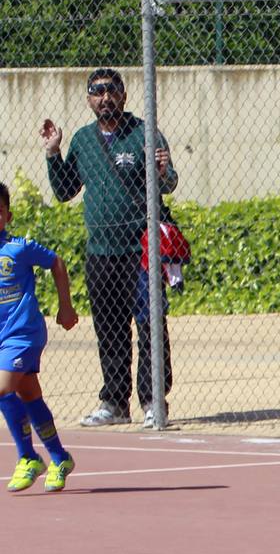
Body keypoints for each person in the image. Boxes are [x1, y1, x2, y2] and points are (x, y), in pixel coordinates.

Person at [42, 68, 178, 430]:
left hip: (141, 251)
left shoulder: (143, 134)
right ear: (89, 99)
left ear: (124, 95)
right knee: (111, 329)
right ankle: (115, 402)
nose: (105, 98)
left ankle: (153, 402)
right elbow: (65, 189)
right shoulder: (84, 141)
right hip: (101, 253)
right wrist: (54, 153)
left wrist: (163, 171)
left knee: (150, 326)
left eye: (112, 91)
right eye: (98, 92)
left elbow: (170, 183)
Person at [1, 183, 79, 493]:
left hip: (24, 334)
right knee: (29, 395)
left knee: (3, 389)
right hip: (4, 339)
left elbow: (56, 262)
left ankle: (28, 457)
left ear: (7, 216)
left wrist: (66, 307)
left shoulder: (19, 247)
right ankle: (59, 458)